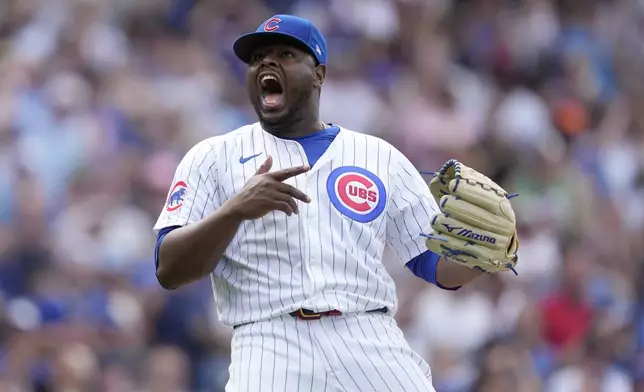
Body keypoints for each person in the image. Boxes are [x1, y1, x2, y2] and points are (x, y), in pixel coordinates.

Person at [153, 14, 518, 392]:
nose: (266, 63)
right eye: (258, 57)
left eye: (285, 54)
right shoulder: (213, 156)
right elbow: (168, 268)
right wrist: (234, 210)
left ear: (319, 75)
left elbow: (433, 265)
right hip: (268, 341)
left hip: (366, 334)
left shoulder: (378, 156)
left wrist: (478, 257)